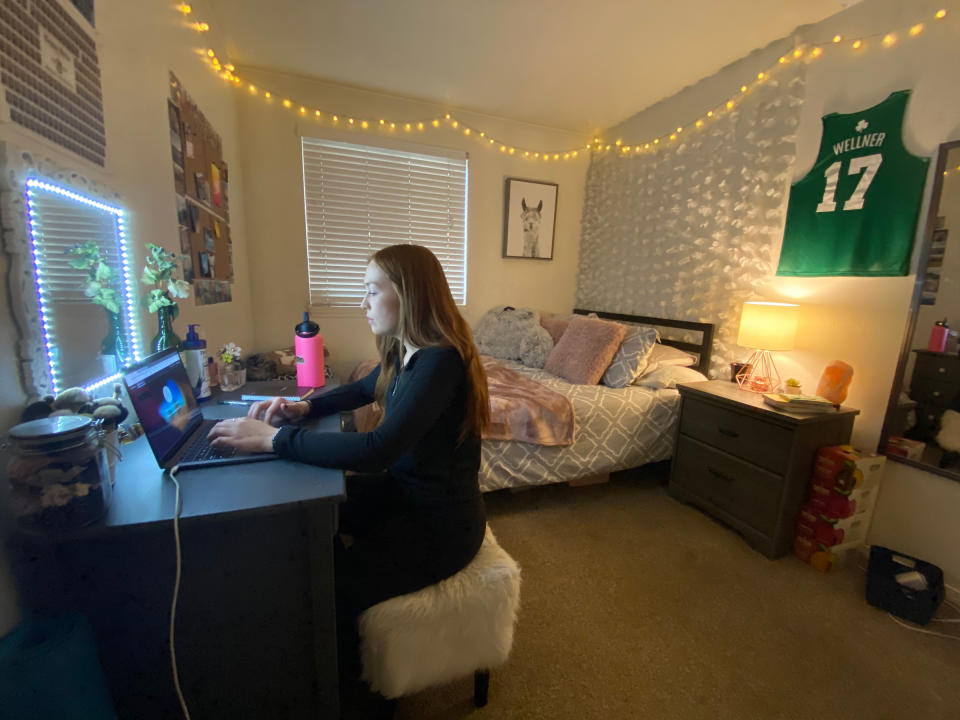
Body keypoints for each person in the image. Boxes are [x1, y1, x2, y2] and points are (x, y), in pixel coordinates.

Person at [207, 243, 490, 716]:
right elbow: (363, 388)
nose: (363, 303)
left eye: (372, 291)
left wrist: (272, 441)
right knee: (312, 515)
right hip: (405, 496)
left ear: (409, 294)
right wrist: (306, 406)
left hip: (440, 527)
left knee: (327, 588)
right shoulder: (410, 350)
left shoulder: (440, 362)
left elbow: (377, 451)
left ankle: (360, 704)